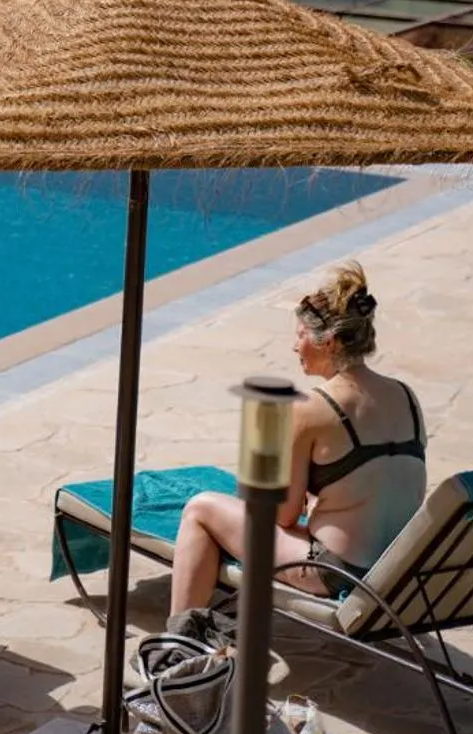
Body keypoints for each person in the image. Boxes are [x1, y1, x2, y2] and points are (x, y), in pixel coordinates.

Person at [169, 260, 426, 628]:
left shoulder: (312, 408)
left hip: (338, 570)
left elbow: (283, 516)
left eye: (301, 334)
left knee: (200, 509)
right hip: (395, 564)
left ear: (329, 341)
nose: (294, 346)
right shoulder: (406, 396)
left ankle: (176, 642)